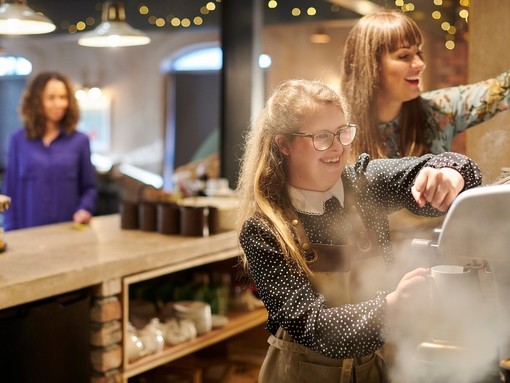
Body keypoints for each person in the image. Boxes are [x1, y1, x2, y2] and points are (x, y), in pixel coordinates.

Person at [236, 79, 482, 383]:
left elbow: (458, 168)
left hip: (375, 370)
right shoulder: (264, 229)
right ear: (283, 144)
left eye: (342, 133)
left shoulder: (365, 184)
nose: (338, 147)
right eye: (322, 137)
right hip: (299, 374)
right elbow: (312, 326)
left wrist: (446, 175)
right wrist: (390, 309)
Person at [340, 9, 510, 160]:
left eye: (419, 52)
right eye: (404, 56)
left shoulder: (437, 109)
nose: (420, 64)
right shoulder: (337, 127)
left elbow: (502, 89)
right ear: (369, 65)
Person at [3, 71, 97, 231]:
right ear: (36, 101)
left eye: (63, 97)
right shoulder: (18, 140)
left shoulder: (80, 141)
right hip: (27, 233)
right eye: (51, 98)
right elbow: (10, 191)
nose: (59, 104)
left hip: (69, 231)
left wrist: (85, 208)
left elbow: (89, 188)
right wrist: (11, 229)